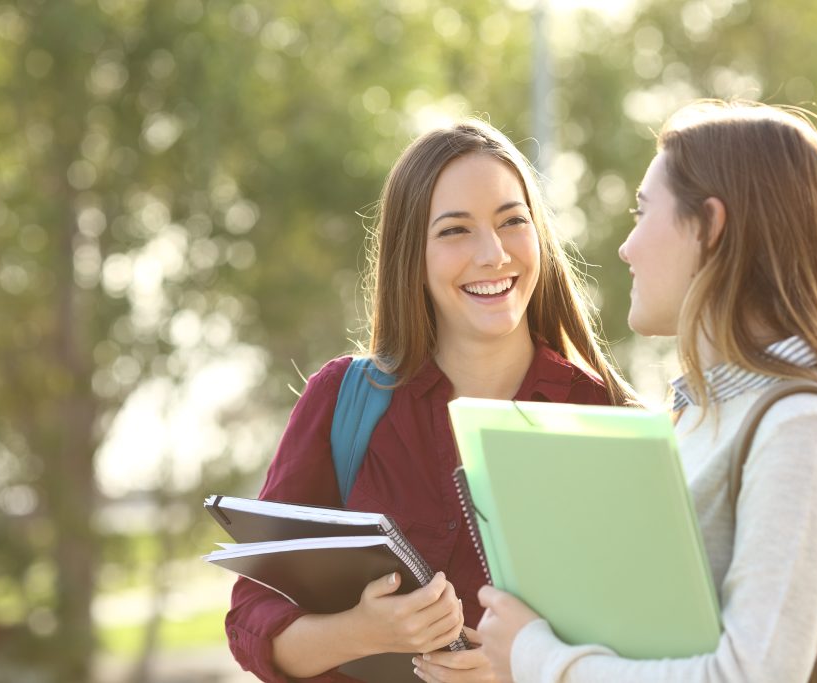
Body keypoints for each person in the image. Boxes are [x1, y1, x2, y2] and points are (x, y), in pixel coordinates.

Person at [469, 101, 817, 683]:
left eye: (643, 213)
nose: (627, 247)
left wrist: (537, 658)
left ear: (712, 227)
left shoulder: (801, 425)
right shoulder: (699, 414)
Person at [225, 119, 636, 683]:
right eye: (454, 231)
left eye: (512, 221)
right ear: (410, 255)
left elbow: (655, 650)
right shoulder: (343, 401)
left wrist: (523, 671)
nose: (492, 254)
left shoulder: (608, 419)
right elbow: (252, 618)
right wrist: (361, 633)